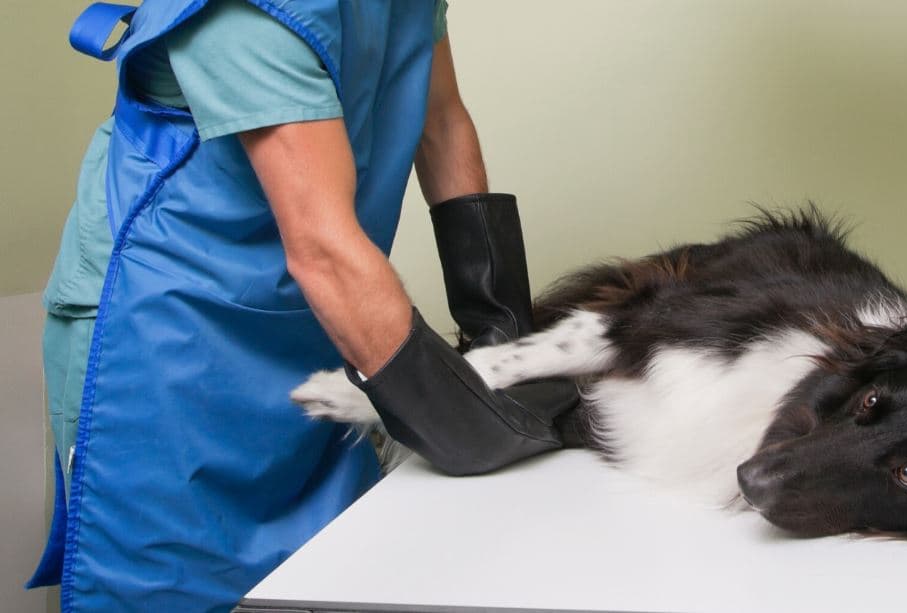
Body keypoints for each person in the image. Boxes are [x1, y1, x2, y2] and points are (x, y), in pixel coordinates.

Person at [31, 1, 575, 610]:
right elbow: (321, 248)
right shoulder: (250, 13)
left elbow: (442, 123)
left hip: (319, 322)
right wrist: (461, 425)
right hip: (169, 346)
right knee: (177, 586)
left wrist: (500, 326)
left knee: (338, 573)